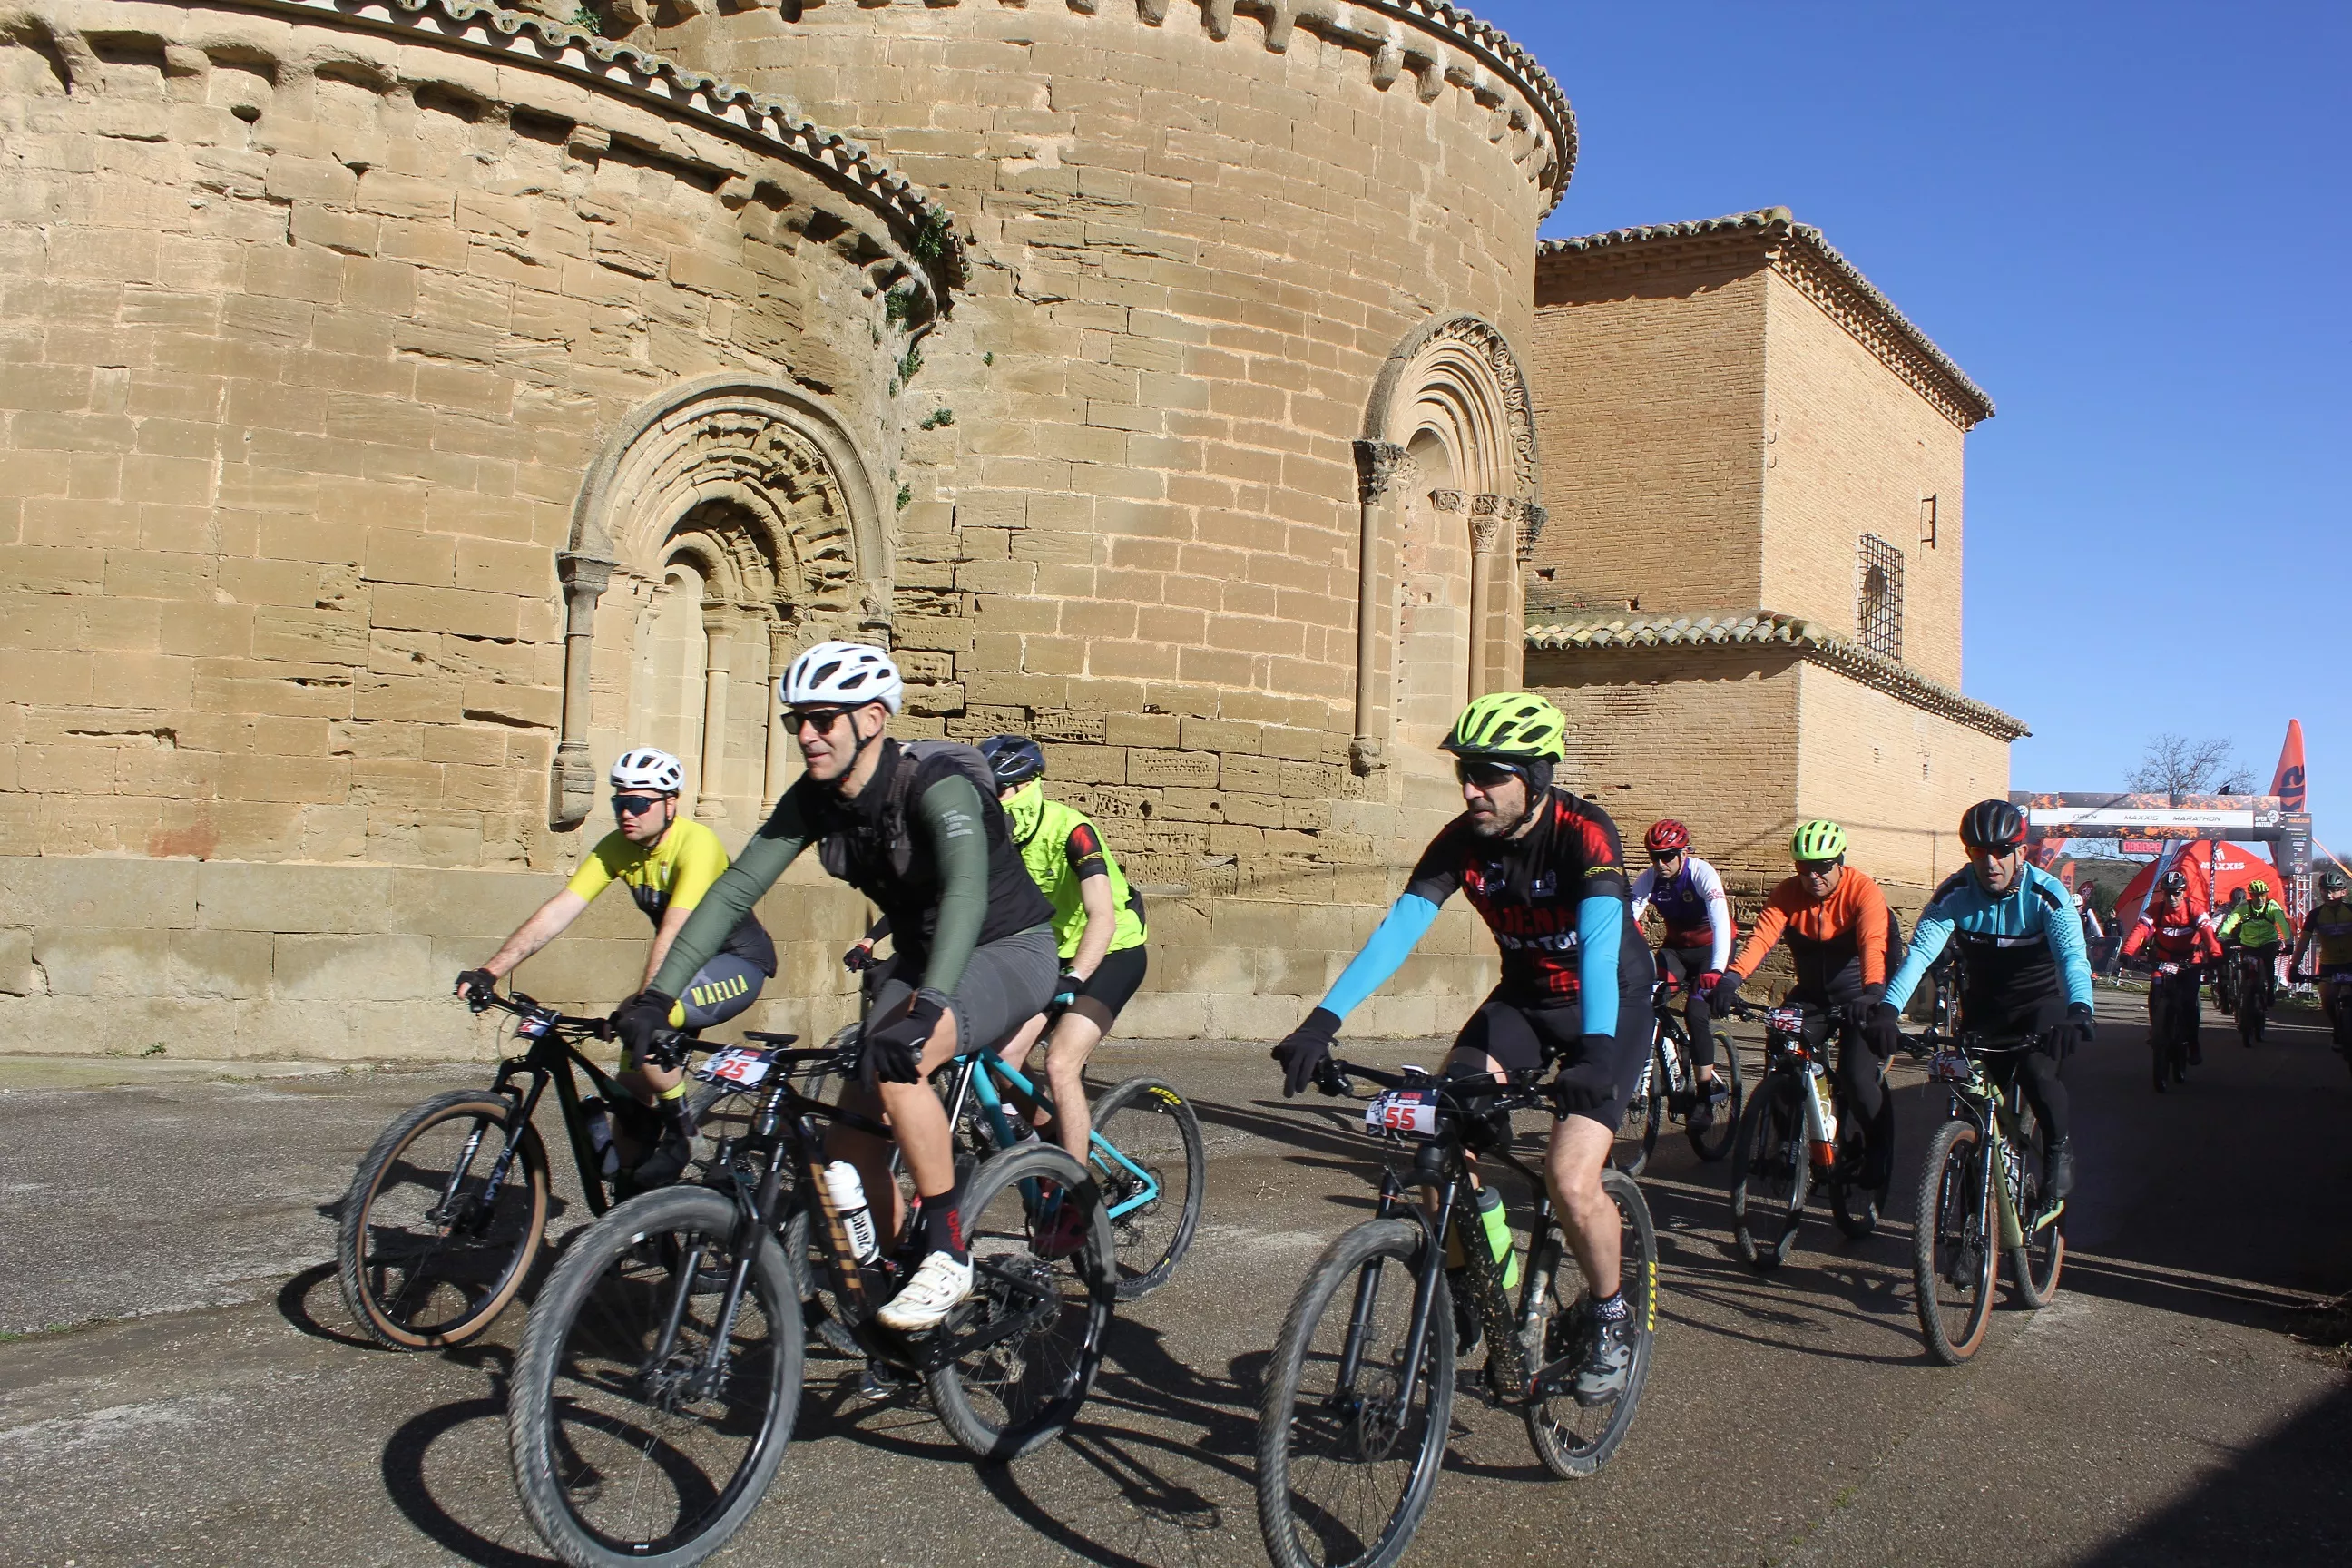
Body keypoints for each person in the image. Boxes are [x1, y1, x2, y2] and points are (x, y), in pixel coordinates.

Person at [615, 642, 1059, 1332]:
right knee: (850, 1149)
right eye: (798, 721)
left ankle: (948, 1252)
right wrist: (658, 995)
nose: (807, 735)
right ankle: (892, 1286)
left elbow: (968, 891)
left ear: (874, 717)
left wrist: (929, 1009)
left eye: (823, 719)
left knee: (901, 1068)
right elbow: (734, 890)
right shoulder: (817, 800)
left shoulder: (935, 783)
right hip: (921, 955)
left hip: (1007, 948)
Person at [1269, 693, 1655, 1405]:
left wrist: (1596, 1054)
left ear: (1536, 777)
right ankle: (1485, 1285)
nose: (1472, 788)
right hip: (1524, 1003)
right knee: (1435, 1144)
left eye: (1490, 774)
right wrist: (1323, 1021)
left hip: (1612, 1007)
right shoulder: (1462, 838)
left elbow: (1601, 951)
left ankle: (1609, 1315)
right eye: (1465, 774)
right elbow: (1400, 929)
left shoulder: (1583, 833)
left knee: (1571, 1179)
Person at [455, 748, 775, 1185]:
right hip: (684, 967)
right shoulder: (617, 848)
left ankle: (684, 1136)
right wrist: (490, 970)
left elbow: (676, 933)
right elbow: (561, 910)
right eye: (621, 803)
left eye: (640, 803)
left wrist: (646, 1008)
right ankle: (631, 1203)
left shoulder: (696, 844)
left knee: (646, 1023)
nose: (629, 813)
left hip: (736, 964)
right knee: (631, 1094)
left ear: (670, 804)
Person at [1869, 800, 2093, 1201]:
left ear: (2020, 851)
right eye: (1978, 851)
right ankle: (1974, 1223)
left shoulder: (2047, 895)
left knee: (2038, 1074)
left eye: (2001, 851)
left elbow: (2073, 959)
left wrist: (2079, 1012)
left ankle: (2059, 1149)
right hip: (1984, 1010)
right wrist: (1888, 1010)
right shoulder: (1955, 893)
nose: (1990, 862)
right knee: (1971, 1106)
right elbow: (1919, 955)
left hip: (2038, 1006)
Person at [975, 735, 1150, 1185]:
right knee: (1003, 1055)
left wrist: (1075, 976)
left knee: (1060, 1062)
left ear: (1022, 786)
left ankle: (1077, 1192)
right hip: (1051, 957)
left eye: (993, 788)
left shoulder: (1072, 830)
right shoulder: (992, 839)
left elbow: (1103, 917)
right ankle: (1052, 1134)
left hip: (1112, 952)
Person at [1706, 820, 1901, 1190]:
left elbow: (1874, 944)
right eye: (1804, 868)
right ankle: (1787, 1141)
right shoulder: (1787, 893)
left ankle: (1878, 1147)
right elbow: (1760, 939)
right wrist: (1730, 980)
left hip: (1859, 996)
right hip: (1811, 995)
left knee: (1858, 1078)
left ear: (1840, 861)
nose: (1813, 876)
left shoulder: (1863, 891)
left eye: (1823, 867)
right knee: (1781, 1053)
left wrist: (1874, 993)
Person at [1628, 818, 1735, 1129]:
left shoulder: (1702, 874)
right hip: (1676, 949)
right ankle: (1673, 1053)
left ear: (1683, 852)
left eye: (1668, 856)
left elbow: (1720, 924)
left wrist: (1716, 970)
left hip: (1710, 950)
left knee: (1696, 1012)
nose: (1661, 864)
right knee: (1648, 998)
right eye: (1654, 857)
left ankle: (1703, 1097)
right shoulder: (1649, 878)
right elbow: (1629, 918)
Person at [2120, 868, 2221, 1064]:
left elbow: (2207, 933)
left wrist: (2215, 954)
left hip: (2189, 963)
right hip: (2163, 960)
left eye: (2176, 893)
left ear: (2184, 892)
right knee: (2155, 991)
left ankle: (2193, 1044)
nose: (2172, 897)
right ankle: (2157, 1028)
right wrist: (2127, 953)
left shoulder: (2195, 910)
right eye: (2168, 893)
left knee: (2190, 1004)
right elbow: (2140, 930)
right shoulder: (2156, 910)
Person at [2289, 867, 2352, 1041]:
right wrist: (2293, 967)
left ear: (2344, 892)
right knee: (2328, 999)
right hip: (2329, 964)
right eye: (2325, 890)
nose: (2329, 895)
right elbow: (2303, 942)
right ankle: (2338, 1029)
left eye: (2334, 891)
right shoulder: (2315, 915)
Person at [2217, 877, 2293, 1011]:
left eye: (2262, 894)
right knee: (2245, 968)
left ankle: (2270, 991)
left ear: (2266, 894)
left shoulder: (2272, 907)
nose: (2260, 898)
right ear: (2251, 896)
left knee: (2269, 964)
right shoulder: (2243, 907)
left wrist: (2289, 943)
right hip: (2249, 944)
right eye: (2256, 895)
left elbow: (2283, 925)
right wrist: (2222, 935)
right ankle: (2242, 992)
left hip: (2267, 942)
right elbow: (2231, 921)